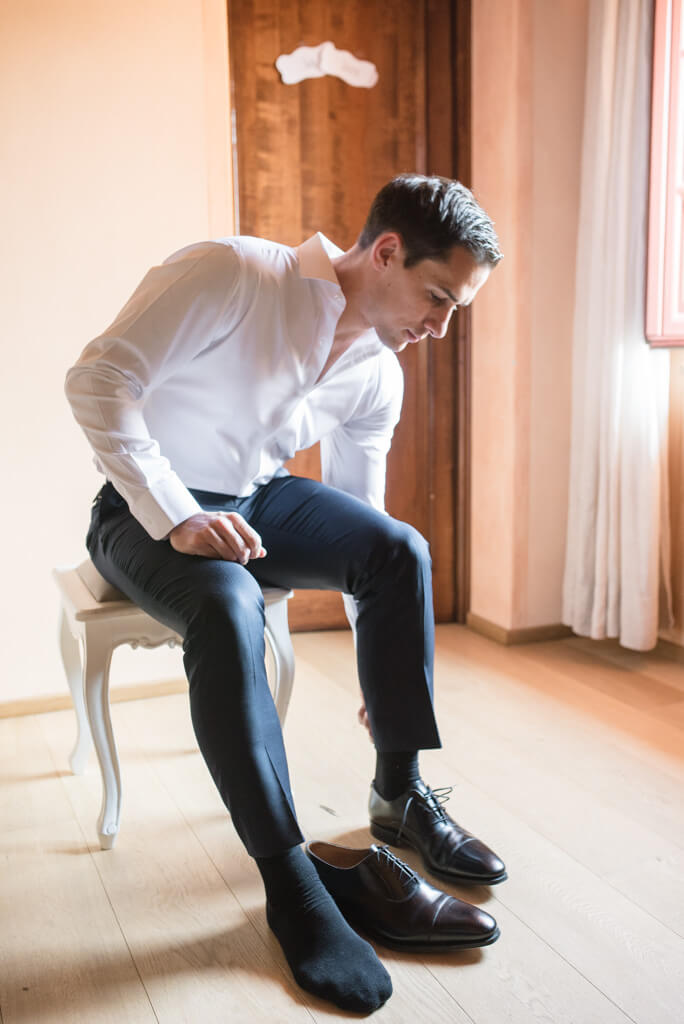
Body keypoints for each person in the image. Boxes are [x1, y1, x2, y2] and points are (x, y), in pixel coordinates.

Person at [65, 174, 504, 1014]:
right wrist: (179, 517)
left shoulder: (379, 372)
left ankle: (399, 793)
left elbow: (363, 528)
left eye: (458, 310)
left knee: (399, 549)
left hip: (255, 498)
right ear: (385, 252)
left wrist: (385, 675)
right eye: (437, 297)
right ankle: (291, 883)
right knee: (228, 604)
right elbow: (96, 381)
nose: (440, 327)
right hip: (140, 512)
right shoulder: (233, 272)